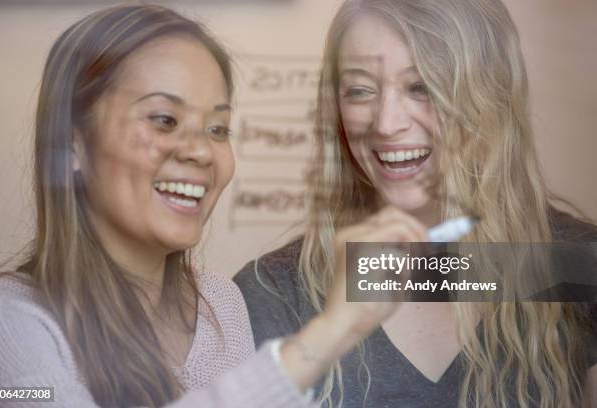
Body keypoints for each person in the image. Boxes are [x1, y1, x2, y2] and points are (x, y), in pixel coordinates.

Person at [0, 5, 411, 407]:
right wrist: (324, 339)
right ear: (71, 142)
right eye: (164, 120)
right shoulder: (7, 321)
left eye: (218, 128)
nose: (202, 152)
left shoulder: (222, 304)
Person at [234, 0, 597, 407]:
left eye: (421, 87)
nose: (386, 124)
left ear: (491, 96)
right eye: (359, 91)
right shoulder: (273, 291)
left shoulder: (581, 266)